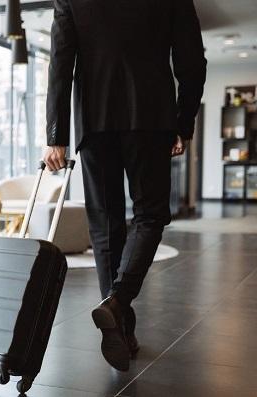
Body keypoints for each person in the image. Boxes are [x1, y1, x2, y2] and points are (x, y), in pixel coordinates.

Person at [43, 0, 207, 371]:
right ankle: (117, 303)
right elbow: (193, 61)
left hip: (94, 121)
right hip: (151, 117)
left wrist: (56, 135)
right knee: (151, 214)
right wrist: (183, 122)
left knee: (105, 226)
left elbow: (60, 65)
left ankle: (122, 328)